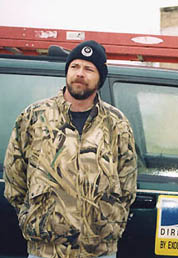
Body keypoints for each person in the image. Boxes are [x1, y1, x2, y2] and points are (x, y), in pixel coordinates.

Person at [3, 40, 137, 258]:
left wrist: (112, 225)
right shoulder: (34, 117)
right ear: (67, 72)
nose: (80, 74)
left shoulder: (117, 124)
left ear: (100, 77)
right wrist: (31, 217)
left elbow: (127, 183)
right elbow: (15, 178)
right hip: (45, 250)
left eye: (88, 69)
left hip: (99, 251)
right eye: (75, 66)